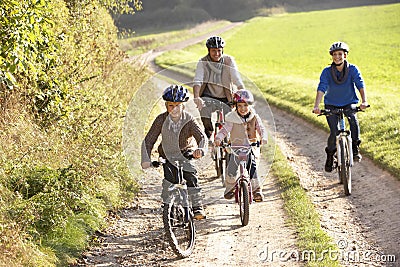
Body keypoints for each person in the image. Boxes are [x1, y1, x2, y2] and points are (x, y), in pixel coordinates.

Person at [141, 85, 207, 220]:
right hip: (167, 155)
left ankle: (197, 206)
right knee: (169, 182)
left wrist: (200, 149)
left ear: (183, 106)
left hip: (185, 152)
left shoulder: (188, 119)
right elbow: (149, 140)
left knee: (190, 175)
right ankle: (168, 209)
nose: (174, 109)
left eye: (178, 105)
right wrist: (146, 158)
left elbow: (201, 137)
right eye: (171, 105)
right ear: (166, 105)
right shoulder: (161, 120)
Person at [312, 41, 368, 172]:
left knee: (353, 121)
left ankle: (354, 148)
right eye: (335, 54)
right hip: (331, 104)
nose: (337, 57)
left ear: (345, 55)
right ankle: (330, 156)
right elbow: (322, 88)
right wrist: (316, 105)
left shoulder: (353, 69)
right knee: (334, 131)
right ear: (332, 56)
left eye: (340, 54)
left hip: (349, 102)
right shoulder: (326, 72)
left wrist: (364, 101)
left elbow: (360, 84)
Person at [214, 89, 268, 202]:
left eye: (245, 105)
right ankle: (230, 189)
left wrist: (263, 138)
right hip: (236, 148)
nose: (243, 108)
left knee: (252, 166)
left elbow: (261, 128)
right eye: (239, 105)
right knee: (231, 169)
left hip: (250, 147)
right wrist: (219, 138)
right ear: (235, 106)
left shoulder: (254, 117)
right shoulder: (231, 118)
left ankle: (256, 190)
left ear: (250, 105)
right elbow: (225, 130)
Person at [193, 36, 245, 140]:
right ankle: (209, 132)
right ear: (208, 51)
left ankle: (227, 141)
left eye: (219, 51)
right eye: (213, 51)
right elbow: (198, 80)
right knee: (204, 114)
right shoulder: (203, 62)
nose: (216, 54)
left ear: (222, 50)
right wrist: (196, 97)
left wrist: (242, 91)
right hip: (208, 96)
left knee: (229, 120)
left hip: (226, 97)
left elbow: (236, 78)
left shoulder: (228, 61)